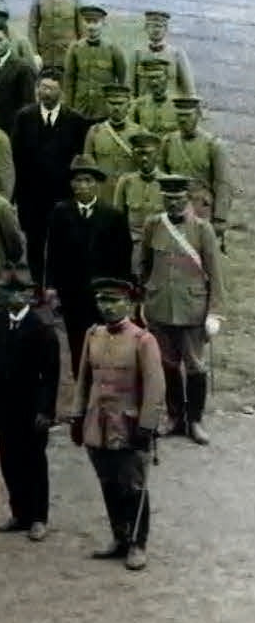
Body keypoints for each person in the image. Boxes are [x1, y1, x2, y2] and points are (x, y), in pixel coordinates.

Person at [72, 278, 167, 570]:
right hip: (97, 425)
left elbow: (155, 387)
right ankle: (120, 538)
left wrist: (147, 426)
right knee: (108, 483)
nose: (108, 307)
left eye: (114, 301)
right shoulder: (93, 335)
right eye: (103, 301)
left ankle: (138, 543)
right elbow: (84, 380)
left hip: (128, 426)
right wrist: (77, 416)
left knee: (133, 486)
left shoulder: (143, 340)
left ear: (128, 303)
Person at [133, 175, 220, 444]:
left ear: (188, 198)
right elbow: (144, 265)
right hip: (160, 307)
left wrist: (214, 312)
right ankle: (174, 417)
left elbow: (216, 275)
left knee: (195, 366)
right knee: (167, 364)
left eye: (179, 198)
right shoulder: (153, 225)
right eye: (168, 199)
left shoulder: (202, 229)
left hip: (192, 308)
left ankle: (195, 420)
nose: (173, 203)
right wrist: (144, 299)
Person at [0, 270, 61, 539]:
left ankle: (38, 517)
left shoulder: (41, 328)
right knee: (9, 460)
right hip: (4, 406)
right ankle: (19, 513)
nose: (14, 296)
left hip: (32, 408)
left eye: (20, 291)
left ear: (29, 295)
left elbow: (51, 375)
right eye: (9, 291)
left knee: (34, 461)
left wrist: (45, 410)